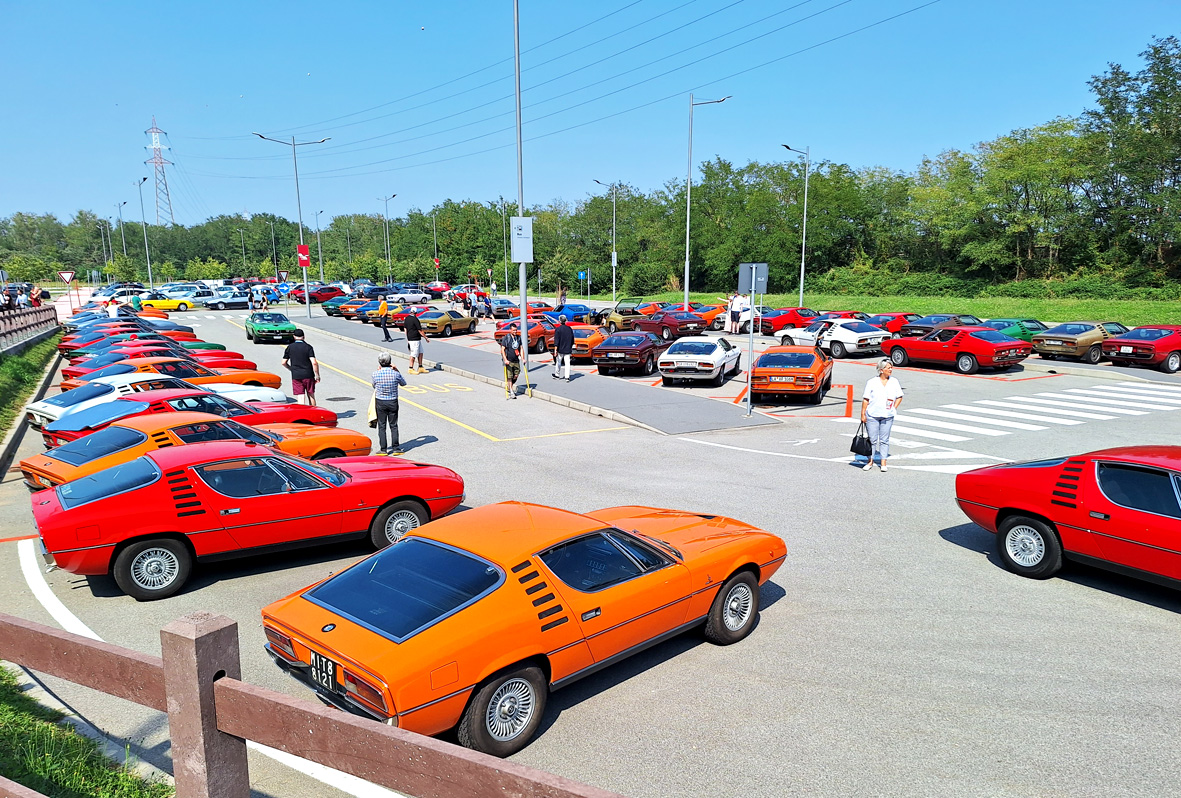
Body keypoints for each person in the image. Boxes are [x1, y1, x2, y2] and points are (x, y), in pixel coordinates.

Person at [860, 359, 904, 472]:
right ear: (881, 370)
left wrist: (894, 407)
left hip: (888, 415)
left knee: (884, 440)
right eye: (888, 367)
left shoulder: (894, 381)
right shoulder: (871, 382)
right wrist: (863, 414)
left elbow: (899, 396)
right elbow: (866, 399)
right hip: (872, 415)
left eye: (891, 367)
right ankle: (870, 461)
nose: (891, 369)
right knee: (872, 439)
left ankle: (883, 462)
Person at [371, 352, 408, 455]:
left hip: (380, 401)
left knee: (382, 425)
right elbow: (404, 383)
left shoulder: (375, 374)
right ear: (390, 362)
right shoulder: (395, 374)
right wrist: (397, 370)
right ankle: (396, 448)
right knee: (394, 425)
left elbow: (374, 386)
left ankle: (383, 449)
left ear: (379, 363)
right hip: (392, 401)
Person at [282, 329, 321, 406]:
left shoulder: (290, 347)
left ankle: (302, 414)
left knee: (300, 396)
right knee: (311, 395)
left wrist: (291, 369)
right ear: (304, 337)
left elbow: (283, 362)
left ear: (294, 336)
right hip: (308, 375)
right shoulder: (308, 347)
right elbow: (314, 362)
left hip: (296, 375)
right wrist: (317, 375)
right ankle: (313, 413)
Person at [552, 315, 574, 381]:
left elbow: (556, 340)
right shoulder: (569, 329)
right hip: (567, 349)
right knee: (567, 363)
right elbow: (572, 339)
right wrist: (570, 346)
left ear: (559, 321)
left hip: (560, 349)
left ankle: (557, 375)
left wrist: (555, 350)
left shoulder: (558, 329)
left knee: (558, 362)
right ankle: (567, 377)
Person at [404, 308, 426, 374]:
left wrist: (407, 337)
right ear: (416, 313)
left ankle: (420, 367)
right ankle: (410, 368)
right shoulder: (415, 319)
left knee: (421, 352)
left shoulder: (407, 318)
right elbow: (420, 330)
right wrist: (426, 338)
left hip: (413, 339)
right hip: (414, 339)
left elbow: (405, 328)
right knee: (413, 354)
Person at [502, 327, 522, 399]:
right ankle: (511, 391)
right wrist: (505, 359)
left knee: (516, 375)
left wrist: (523, 358)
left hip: (516, 360)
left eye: (516, 330)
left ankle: (509, 386)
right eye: (513, 330)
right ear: (510, 330)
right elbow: (502, 349)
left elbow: (521, 348)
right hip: (509, 361)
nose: (515, 331)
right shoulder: (506, 338)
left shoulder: (518, 338)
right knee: (509, 376)